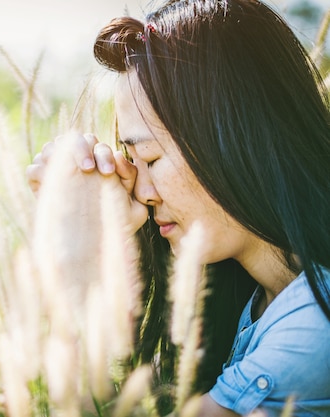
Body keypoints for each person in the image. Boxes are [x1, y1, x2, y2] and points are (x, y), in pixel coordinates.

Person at [26, 0, 330, 415]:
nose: (144, 193)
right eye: (131, 162)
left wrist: (76, 273)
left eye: (149, 158)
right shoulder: (259, 298)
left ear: (235, 138)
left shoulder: (313, 328)